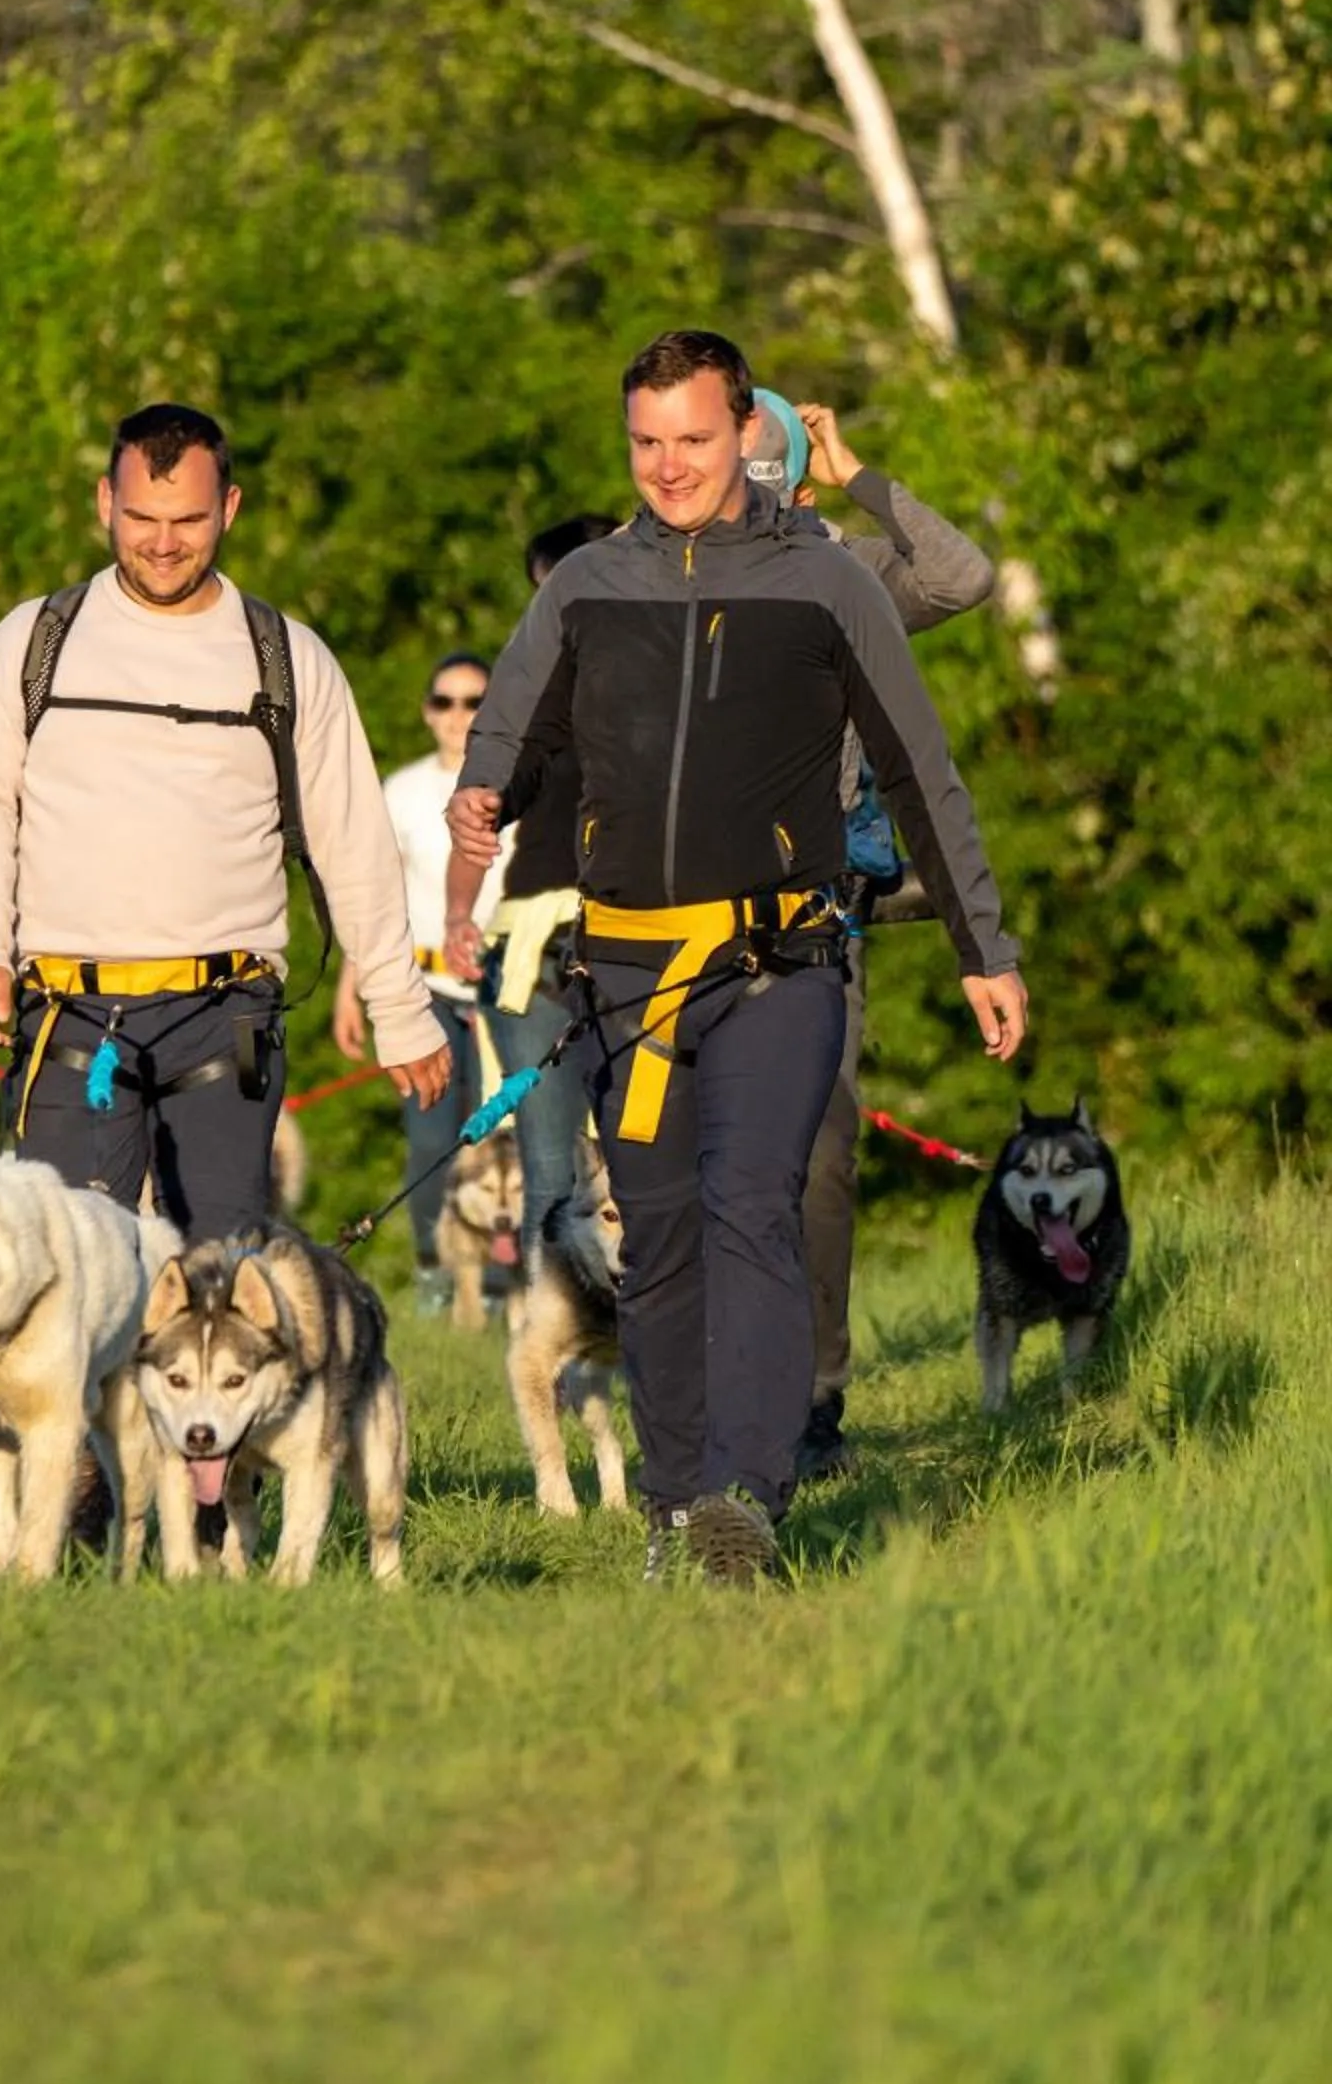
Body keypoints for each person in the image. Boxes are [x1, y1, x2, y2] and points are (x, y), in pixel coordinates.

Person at [448, 328, 1026, 1586]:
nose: (667, 466)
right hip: (627, 977)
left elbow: (923, 771)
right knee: (652, 1235)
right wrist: (483, 796)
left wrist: (984, 944)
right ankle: (670, 1501)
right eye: (645, 442)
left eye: (693, 440)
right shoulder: (585, 584)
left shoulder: (829, 585)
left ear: (745, 436)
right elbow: (511, 731)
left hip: (778, 962)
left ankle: (741, 1503)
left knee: (750, 1206)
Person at [0, 401, 451, 1244]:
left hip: (226, 1016)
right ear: (106, 503)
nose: (163, 541)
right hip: (67, 1015)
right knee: (72, 1280)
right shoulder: (32, 642)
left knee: (217, 1289)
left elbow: (353, 842)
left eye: (189, 520)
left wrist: (399, 1009)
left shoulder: (285, 657)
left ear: (231, 509)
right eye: (141, 517)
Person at [741, 392, 996, 1480]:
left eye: (758, 467)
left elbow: (961, 577)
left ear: (790, 484)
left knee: (818, 1161)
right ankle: (698, 1397)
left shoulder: (848, 575)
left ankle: (811, 1401)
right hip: (669, 922)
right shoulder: (644, 566)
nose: (724, 483)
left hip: (815, 921)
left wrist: (854, 476)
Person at [440, 515, 621, 1253]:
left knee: (645, 1157)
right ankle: (564, 1358)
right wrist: (457, 914)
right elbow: (477, 813)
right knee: (551, 1167)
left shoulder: (667, 686)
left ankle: (653, 1350)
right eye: (546, 596)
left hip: (647, 936)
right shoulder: (522, 699)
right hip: (535, 948)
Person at [332, 652, 507, 1306]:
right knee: (433, 1140)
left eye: (474, 701)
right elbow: (380, 899)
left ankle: (501, 1281)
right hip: (425, 986)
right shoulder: (401, 792)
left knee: (505, 1140)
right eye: (445, 702)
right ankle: (437, 1270)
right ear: (428, 711)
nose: (458, 716)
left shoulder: (515, 782)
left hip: (506, 988)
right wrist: (354, 988)